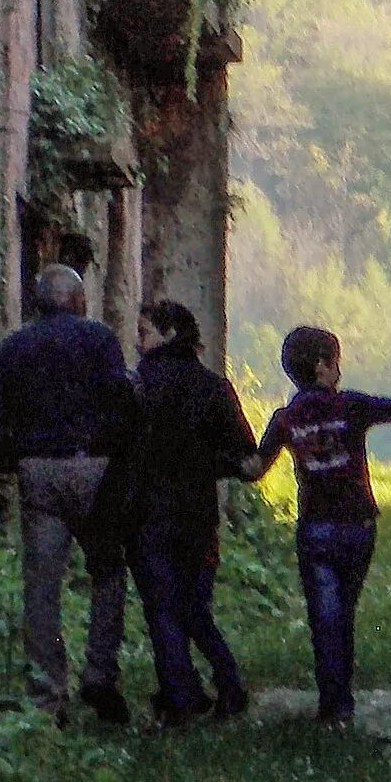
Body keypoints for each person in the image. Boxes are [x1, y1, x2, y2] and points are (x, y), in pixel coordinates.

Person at [0, 262, 140, 726]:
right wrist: (117, 456)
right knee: (108, 572)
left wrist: (13, 462)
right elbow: (120, 402)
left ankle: (48, 696)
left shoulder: (14, 347)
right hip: (93, 469)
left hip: (39, 472)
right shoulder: (99, 340)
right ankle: (99, 673)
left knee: (42, 586)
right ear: (78, 300)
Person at [255, 320, 391, 726]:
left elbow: (253, 467)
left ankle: (333, 704)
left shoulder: (285, 419)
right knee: (344, 613)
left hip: (315, 529)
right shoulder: (349, 406)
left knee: (324, 617)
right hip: (357, 525)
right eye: (335, 361)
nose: (339, 369)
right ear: (322, 367)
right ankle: (341, 702)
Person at [127, 299, 259, 728]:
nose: (137, 340)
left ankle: (180, 699)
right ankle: (226, 684)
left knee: (162, 608)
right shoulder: (213, 387)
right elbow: (243, 453)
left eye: (144, 331)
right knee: (194, 607)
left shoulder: (137, 386)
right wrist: (208, 464)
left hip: (148, 512)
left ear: (167, 334)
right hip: (197, 515)